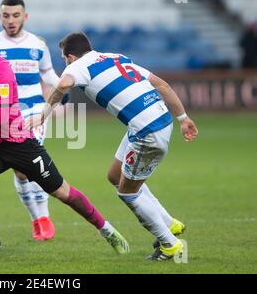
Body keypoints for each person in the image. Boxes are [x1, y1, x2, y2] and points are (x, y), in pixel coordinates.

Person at [0, 10, 130, 255]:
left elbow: (5, 116)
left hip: (18, 143)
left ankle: (106, 229)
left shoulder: (2, 74)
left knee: (63, 192)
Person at [27, 32, 199, 261]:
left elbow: (64, 83)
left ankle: (170, 245)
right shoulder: (116, 57)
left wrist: (43, 115)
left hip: (147, 132)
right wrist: (183, 118)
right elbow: (161, 84)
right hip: (157, 120)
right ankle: (170, 224)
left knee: (128, 193)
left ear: (69, 56)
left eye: (64, 59)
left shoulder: (76, 66)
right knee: (115, 175)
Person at [0, 0, 63, 241]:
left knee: (33, 164)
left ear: (25, 16)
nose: (11, 20)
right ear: (0, 16)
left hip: (35, 111)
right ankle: (36, 218)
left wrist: (62, 90)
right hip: (5, 113)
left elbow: (48, 73)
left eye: (16, 15)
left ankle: (44, 218)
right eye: (6, 15)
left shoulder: (37, 44)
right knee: (20, 171)